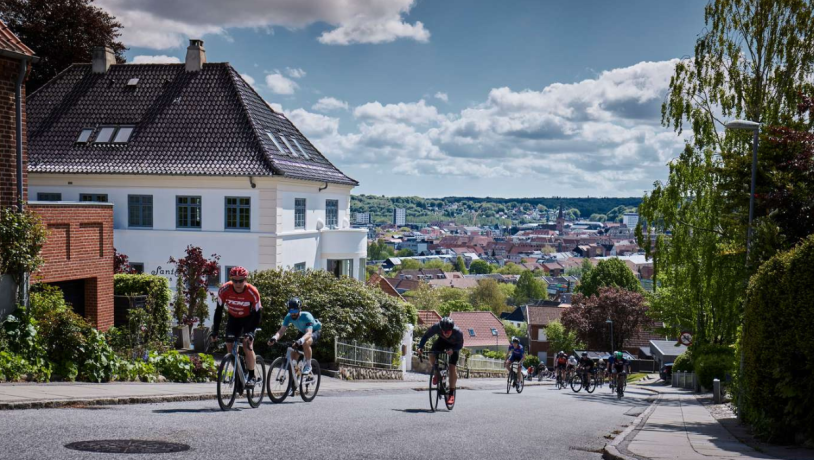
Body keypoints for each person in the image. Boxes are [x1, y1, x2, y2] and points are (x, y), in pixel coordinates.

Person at [211, 266, 263, 387]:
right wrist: (215, 331)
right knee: (230, 346)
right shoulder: (224, 290)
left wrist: (250, 332)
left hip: (249, 319)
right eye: (235, 280)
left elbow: (258, 314)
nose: (238, 283)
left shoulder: (252, 291)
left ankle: (251, 375)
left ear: (246, 279)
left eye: (241, 280)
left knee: (247, 345)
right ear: (231, 280)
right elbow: (218, 311)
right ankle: (239, 373)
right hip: (233, 318)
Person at [267, 297, 322, 375]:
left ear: (299, 309)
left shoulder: (307, 316)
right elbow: (281, 330)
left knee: (305, 342)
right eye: (291, 311)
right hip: (303, 332)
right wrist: (274, 338)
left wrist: (300, 341)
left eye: (295, 311)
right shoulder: (288, 316)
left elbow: (309, 333)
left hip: (314, 331)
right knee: (293, 356)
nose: (293, 313)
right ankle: (297, 376)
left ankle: (308, 365)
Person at [417, 317, 464, 405]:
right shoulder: (436, 327)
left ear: (452, 329)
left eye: (448, 332)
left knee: (452, 368)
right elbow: (426, 336)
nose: (446, 333)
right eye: (444, 331)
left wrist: (453, 350)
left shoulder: (458, 332)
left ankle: (451, 394)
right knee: (431, 354)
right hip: (441, 342)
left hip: (454, 346)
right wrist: (420, 347)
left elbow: (460, 345)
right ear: (441, 329)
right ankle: (436, 373)